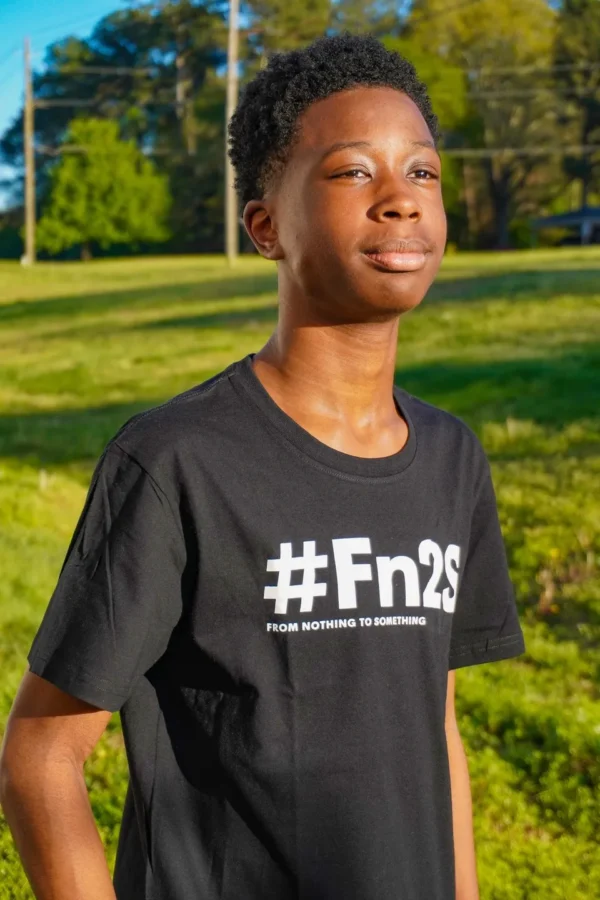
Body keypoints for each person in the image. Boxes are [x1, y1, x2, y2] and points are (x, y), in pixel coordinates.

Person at [0, 31, 526, 900]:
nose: (399, 200)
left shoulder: (452, 459)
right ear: (265, 226)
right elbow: (41, 758)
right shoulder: (176, 461)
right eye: (354, 172)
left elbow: (434, 723)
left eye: (423, 173)